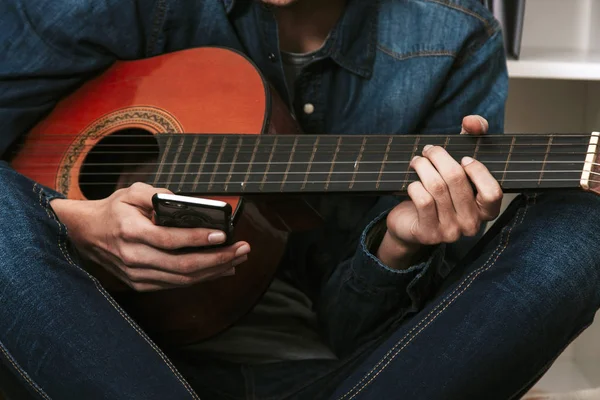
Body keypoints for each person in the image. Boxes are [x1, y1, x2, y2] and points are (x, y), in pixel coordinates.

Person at [0, 0, 599, 399]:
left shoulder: (457, 37)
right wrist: (70, 225)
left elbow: (362, 334)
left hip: (341, 379)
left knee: (587, 228)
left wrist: (398, 244)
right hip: (87, 352)